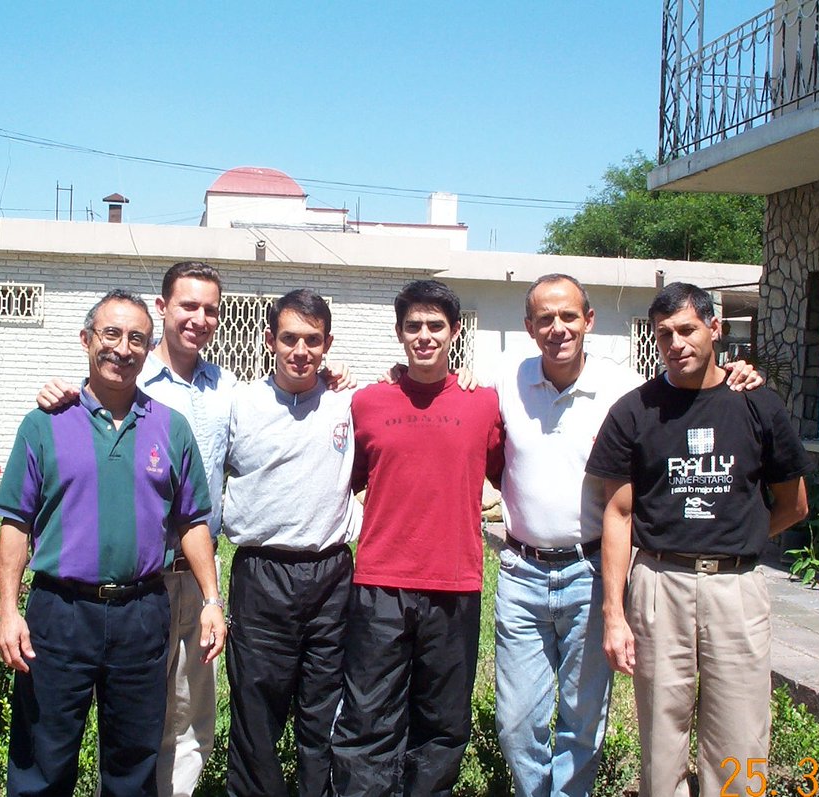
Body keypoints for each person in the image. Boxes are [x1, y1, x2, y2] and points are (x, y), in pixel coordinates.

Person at [36, 263, 354, 796]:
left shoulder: (226, 389)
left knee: (189, 716)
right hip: (138, 578)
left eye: (210, 309)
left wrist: (331, 375)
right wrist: (56, 391)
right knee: (133, 718)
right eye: (188, 305)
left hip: (198, 573)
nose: (199, 318)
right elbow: (93, 395)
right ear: (163, 308)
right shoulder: (130, 377)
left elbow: (286, 411)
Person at [493, 274, 761, 797]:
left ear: (588, 320)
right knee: (517, 724)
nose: (558, 328)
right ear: (528, 327)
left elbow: (694, 391)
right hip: (521, 574)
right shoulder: (506, 381)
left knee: (582, 721)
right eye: (545, 318)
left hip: (591, 572)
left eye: (569, 316)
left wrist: (738, 371)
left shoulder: (627, 391)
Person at [0, 289, 226, 797]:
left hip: (142, 612)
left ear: (148, 349)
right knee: (42, 757)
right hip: (59, 613)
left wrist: (211, 599)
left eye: (136, 338)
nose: (123, 348)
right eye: (111, 334)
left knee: (134, 762)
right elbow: (15, 522)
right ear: (86, 340)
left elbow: (192, 521)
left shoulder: (171, 427)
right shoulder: (45, 423)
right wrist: (9, 611)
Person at [587, 282, 810, 797]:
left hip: (737, 591)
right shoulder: (634, 412)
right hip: (660, 583)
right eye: (664, 334)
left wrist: (739, 535)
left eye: (687, 329)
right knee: (661, 740)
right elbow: (618, 516)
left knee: (741, 737)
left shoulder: (758, 406)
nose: (676, 343)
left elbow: (794, 504)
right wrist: (614, 615)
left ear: (715, 328)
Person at [331, 279, 505, 797]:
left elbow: (502, 466)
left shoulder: (484, 404)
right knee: (368, 718)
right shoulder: (367, 402)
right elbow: (354, 477)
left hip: (455, 584)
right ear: (399, 333)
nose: (424, 336)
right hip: (380, 582)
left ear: (455, 331)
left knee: (442, 724)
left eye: (435, 326)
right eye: (413, 327)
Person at [222, 289, 360, 796]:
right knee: (256, 712)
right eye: (289, 339)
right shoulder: (239, 404)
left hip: (331, 576)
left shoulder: (348, 402)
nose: (301, 350)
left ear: (327, 345)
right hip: (262, 576)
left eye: (312, 340)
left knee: (324, 710)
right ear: (268, 341)